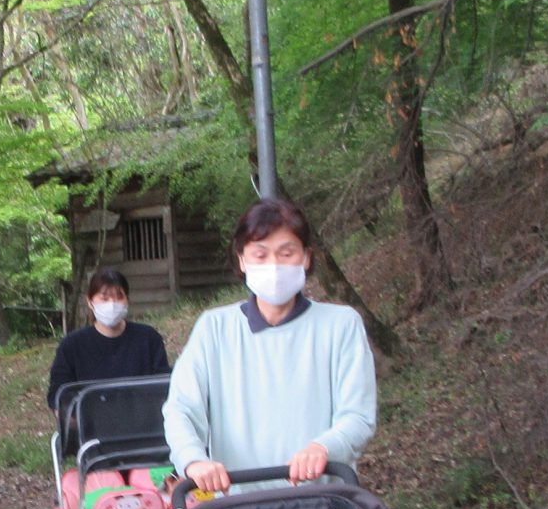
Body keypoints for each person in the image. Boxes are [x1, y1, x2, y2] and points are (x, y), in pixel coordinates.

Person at [163, 198, 376, 493]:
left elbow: (358, 415)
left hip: (324, 500)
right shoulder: (214, 329)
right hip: (241, 504)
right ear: (242, 260)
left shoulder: (341, 325)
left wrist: (324, 447)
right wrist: (193, 459)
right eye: (260, 255)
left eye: (286, 253)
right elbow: (182, 409)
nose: (274, 265)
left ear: (306, 257)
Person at [44, 265, 170, 413]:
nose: (112, 304)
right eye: (104, 298)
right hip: (89, 425)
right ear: (90, 301)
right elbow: (58, 395)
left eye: (119, 297)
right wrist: (73, 420)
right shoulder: (72, 345)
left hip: (142, 422)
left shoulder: (148, 338)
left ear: (127, 300)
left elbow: (164, 386)